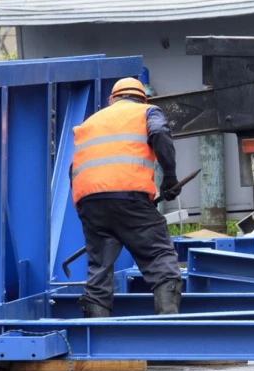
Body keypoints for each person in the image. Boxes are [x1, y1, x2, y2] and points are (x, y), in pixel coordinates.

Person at [70, 77, 184, 318]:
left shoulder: (90, 121)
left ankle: (96, 334)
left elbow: (75, 167)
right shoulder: (146, 111)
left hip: (89, 202)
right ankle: (169, 326)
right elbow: (160, 132)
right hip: (129, 196)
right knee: (159, 255)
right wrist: (170, 177)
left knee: (99, 268)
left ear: (112, 100)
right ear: (142, 98)